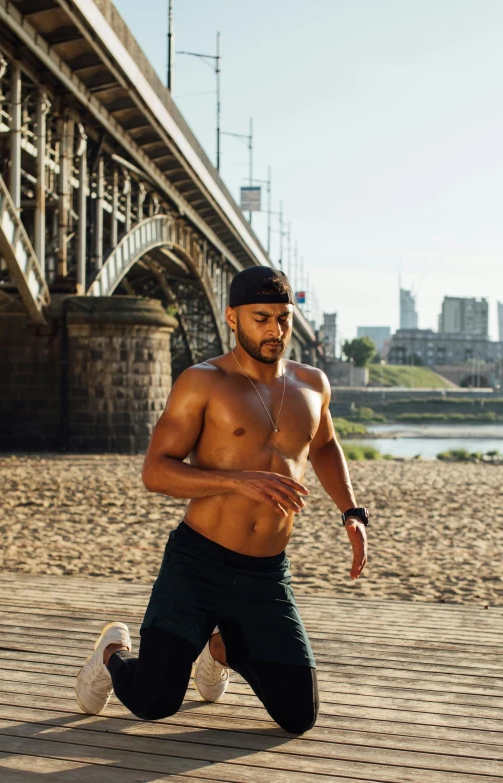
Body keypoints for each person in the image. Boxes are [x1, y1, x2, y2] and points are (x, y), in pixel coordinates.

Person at [75, 265, 368, 734]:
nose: (275, 330)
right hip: (197, 565)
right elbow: (155, 471)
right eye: (260, 318)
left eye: (283, 318)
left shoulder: (313, 384)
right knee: (154, 701)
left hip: (265, 574)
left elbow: (326, 445)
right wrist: (236, 481)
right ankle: (111, 652)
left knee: (298, 715)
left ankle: (217, 649)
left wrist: (351, 512)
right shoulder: (203, 381)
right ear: (231, 318)